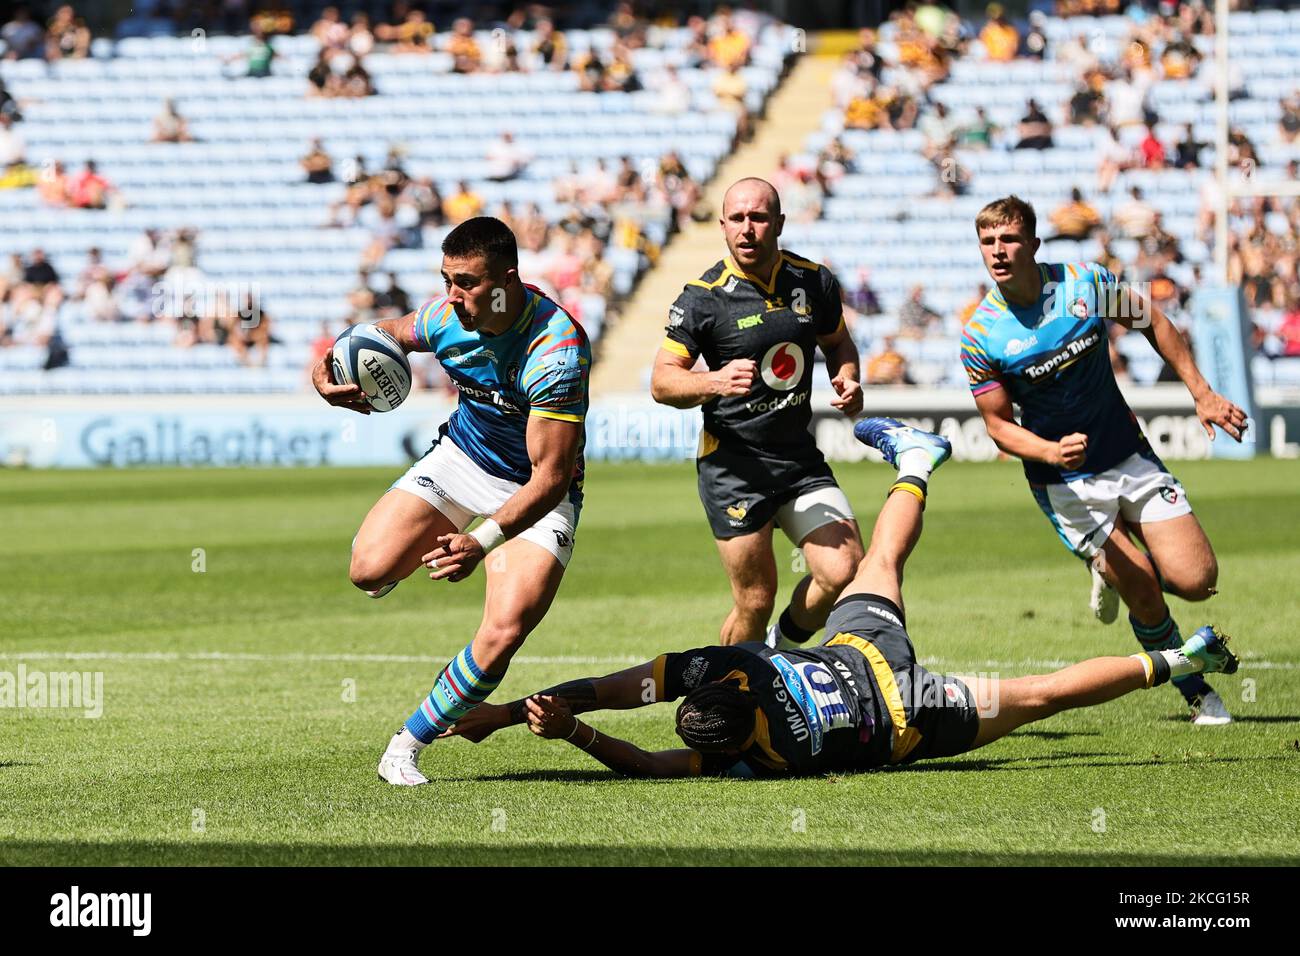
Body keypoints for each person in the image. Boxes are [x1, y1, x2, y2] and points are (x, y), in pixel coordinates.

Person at [440, 420, 1241, 778]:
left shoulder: (745, 756)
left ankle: (1180, 656)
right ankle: (917, 462)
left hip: (910, 715)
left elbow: (645, 760)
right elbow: (625, 695)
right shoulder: (728, 664)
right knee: (881, 559)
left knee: (1041, 696)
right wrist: (532, 713)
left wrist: (554, 727)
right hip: (859, 655)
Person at [311, 216, 592, 786]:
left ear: (506, 281)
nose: (453, 296)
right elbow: (385, 332)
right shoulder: (446, 317)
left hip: (535, 488)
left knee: (504, 629)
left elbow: (552, 477)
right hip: (462, 458)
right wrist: (326, 373)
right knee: (367, 572)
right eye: (447, 280)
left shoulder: (556, 351)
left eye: (466, 282)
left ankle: (406, 745)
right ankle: (403, 560)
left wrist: (483, 540)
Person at [961, 196, 1248, 725]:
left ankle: (1111, 572)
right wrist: (1048, 450)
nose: (997, 252)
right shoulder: (981, 334)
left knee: (1197, 580)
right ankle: (1195, 690)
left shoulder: (1084, 283)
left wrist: (1202, 393)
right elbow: (998, 425)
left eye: (1009, 240)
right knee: (1140, 582)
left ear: (1034, 244)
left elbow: (1155, 323)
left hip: (1127, 452)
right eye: (987, 242)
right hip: (1064, 478)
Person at [651, 178, 865, 651]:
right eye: (738, 219)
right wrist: (714, 381)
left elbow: (839, 343)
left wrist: (847, 376)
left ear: (780, 223)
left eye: (759, 217)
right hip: (734, 467)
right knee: (755, 598)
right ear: (723, 226)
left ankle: (782, 651)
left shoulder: (814, 281)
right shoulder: (701, 297)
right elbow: (662, 381)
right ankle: (725, 692)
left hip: (797, 459)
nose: (747, 229)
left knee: (845, 568)